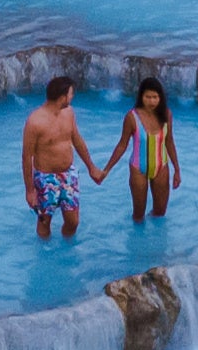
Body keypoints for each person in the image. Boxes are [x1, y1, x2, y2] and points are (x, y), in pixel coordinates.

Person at [21, 77, 99, 241]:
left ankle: (67, 249)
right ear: (63, 96)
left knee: (73, 222)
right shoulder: (35, 121)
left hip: (68, 175)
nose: (72, 97)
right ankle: (44, 251)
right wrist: (29, 191)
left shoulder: (69, 112)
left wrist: (91, 167)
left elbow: (77, 139)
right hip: (46, 178)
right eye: (71, 94)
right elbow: (27, 157)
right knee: (44, 222)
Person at [108, 77, 182, 224]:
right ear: (141, 97)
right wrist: (106, 170)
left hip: (161, 167)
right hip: (138, 169)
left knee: (160, 213)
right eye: (148, 97)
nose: (152, 101)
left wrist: (177, 170)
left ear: (160, 98)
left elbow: (169, 141)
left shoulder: (167, 115)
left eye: (155, 97)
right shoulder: (132, 117)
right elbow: (122, 145)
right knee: (138, 216)